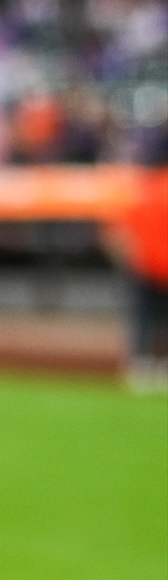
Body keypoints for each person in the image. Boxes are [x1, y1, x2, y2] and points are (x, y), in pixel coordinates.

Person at [116, 129, 168, 393]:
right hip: (164, 267)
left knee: (143, 319)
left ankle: (140, 366)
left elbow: (121, 233)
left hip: (145, 265)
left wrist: (131, 260)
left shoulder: (143, 192)